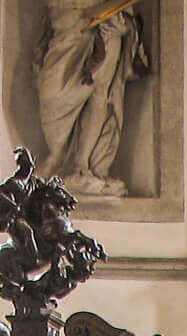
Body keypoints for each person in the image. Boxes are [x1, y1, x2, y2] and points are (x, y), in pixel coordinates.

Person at [34, 0, 150, 197]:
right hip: (67, 20)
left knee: (100, 93)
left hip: (106, 21)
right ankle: (58, 155)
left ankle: (83, 163)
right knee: (51, 94)